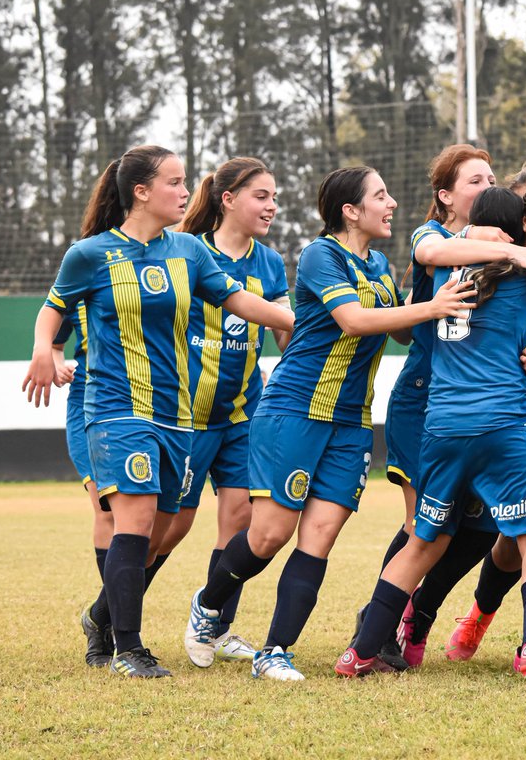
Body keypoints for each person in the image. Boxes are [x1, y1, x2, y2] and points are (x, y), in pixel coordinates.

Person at [183, 166, 477, 682]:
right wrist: (430, 307)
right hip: (295, 409)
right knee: (270, 534)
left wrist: (436, 299)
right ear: (350, 210)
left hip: (353, 422)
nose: (390, 204)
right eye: (380, 196)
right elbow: (354, 321)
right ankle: (208, 605)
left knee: (319, 535)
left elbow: (403, 333)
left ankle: (275, 650)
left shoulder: (382, 264)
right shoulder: (322, 254)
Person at [22, 144, 295, 679]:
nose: (186, 191)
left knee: (166, 528)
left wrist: (319, 319)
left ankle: (100, 616)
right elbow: (53, 310)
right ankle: (130, 647)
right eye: (175, 182)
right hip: (116, 408)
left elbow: (242, 303)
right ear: (141, 192)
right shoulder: (91, 254)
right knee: (136, 516)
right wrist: (43, 351)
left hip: (177, 416)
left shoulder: (190, 253)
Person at [336, 185, 526, 681]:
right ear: (517, 227)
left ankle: (362, 651)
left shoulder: (439, 266)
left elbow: (427, 248)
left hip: (443, 426)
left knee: (423, 542)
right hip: (507, 423)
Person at [369, 145, 526, 668]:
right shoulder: (432, 237)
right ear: (447, 196)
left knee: (476, 529)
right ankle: (379, 636)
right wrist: (512, 251)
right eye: (475, 179)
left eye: (491, 178)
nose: (486, 185)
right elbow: (433, 256)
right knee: (424, 527)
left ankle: (415, 619)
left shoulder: (507, 255)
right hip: (425, 400)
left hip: (471, 409)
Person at [144, 157, 293, 668]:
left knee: (241, 519)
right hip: (184, 416)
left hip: (242, 414)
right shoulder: (186, 253)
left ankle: (215, 625)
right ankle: (111, 612)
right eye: (261, 196)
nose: (272, 205)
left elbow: (284, 329)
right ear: (227, 199)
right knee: (171, 527)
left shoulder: (270, 264)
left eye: (275, 197)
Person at [49, 305, 116, 668]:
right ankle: (111, 625)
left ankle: (100, 616)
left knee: (154, 524)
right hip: (90, 406)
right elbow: (53, 341)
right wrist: (56, 362)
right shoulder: (80, 277)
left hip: (148, 405)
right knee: (106, 507)